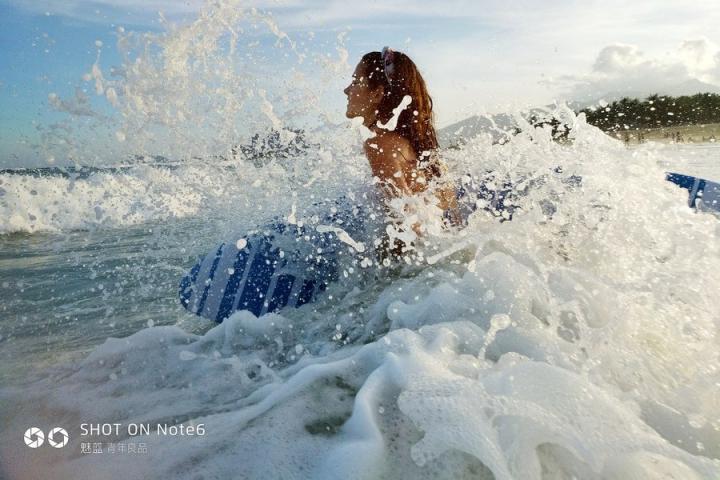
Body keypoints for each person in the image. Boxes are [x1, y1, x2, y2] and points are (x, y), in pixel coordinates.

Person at [343, 47, 460, 258]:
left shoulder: (378, 143)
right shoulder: (415, 146)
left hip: (417, 262)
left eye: (355, 82)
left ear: (377, 94)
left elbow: (407, 219)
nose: (346, 90)